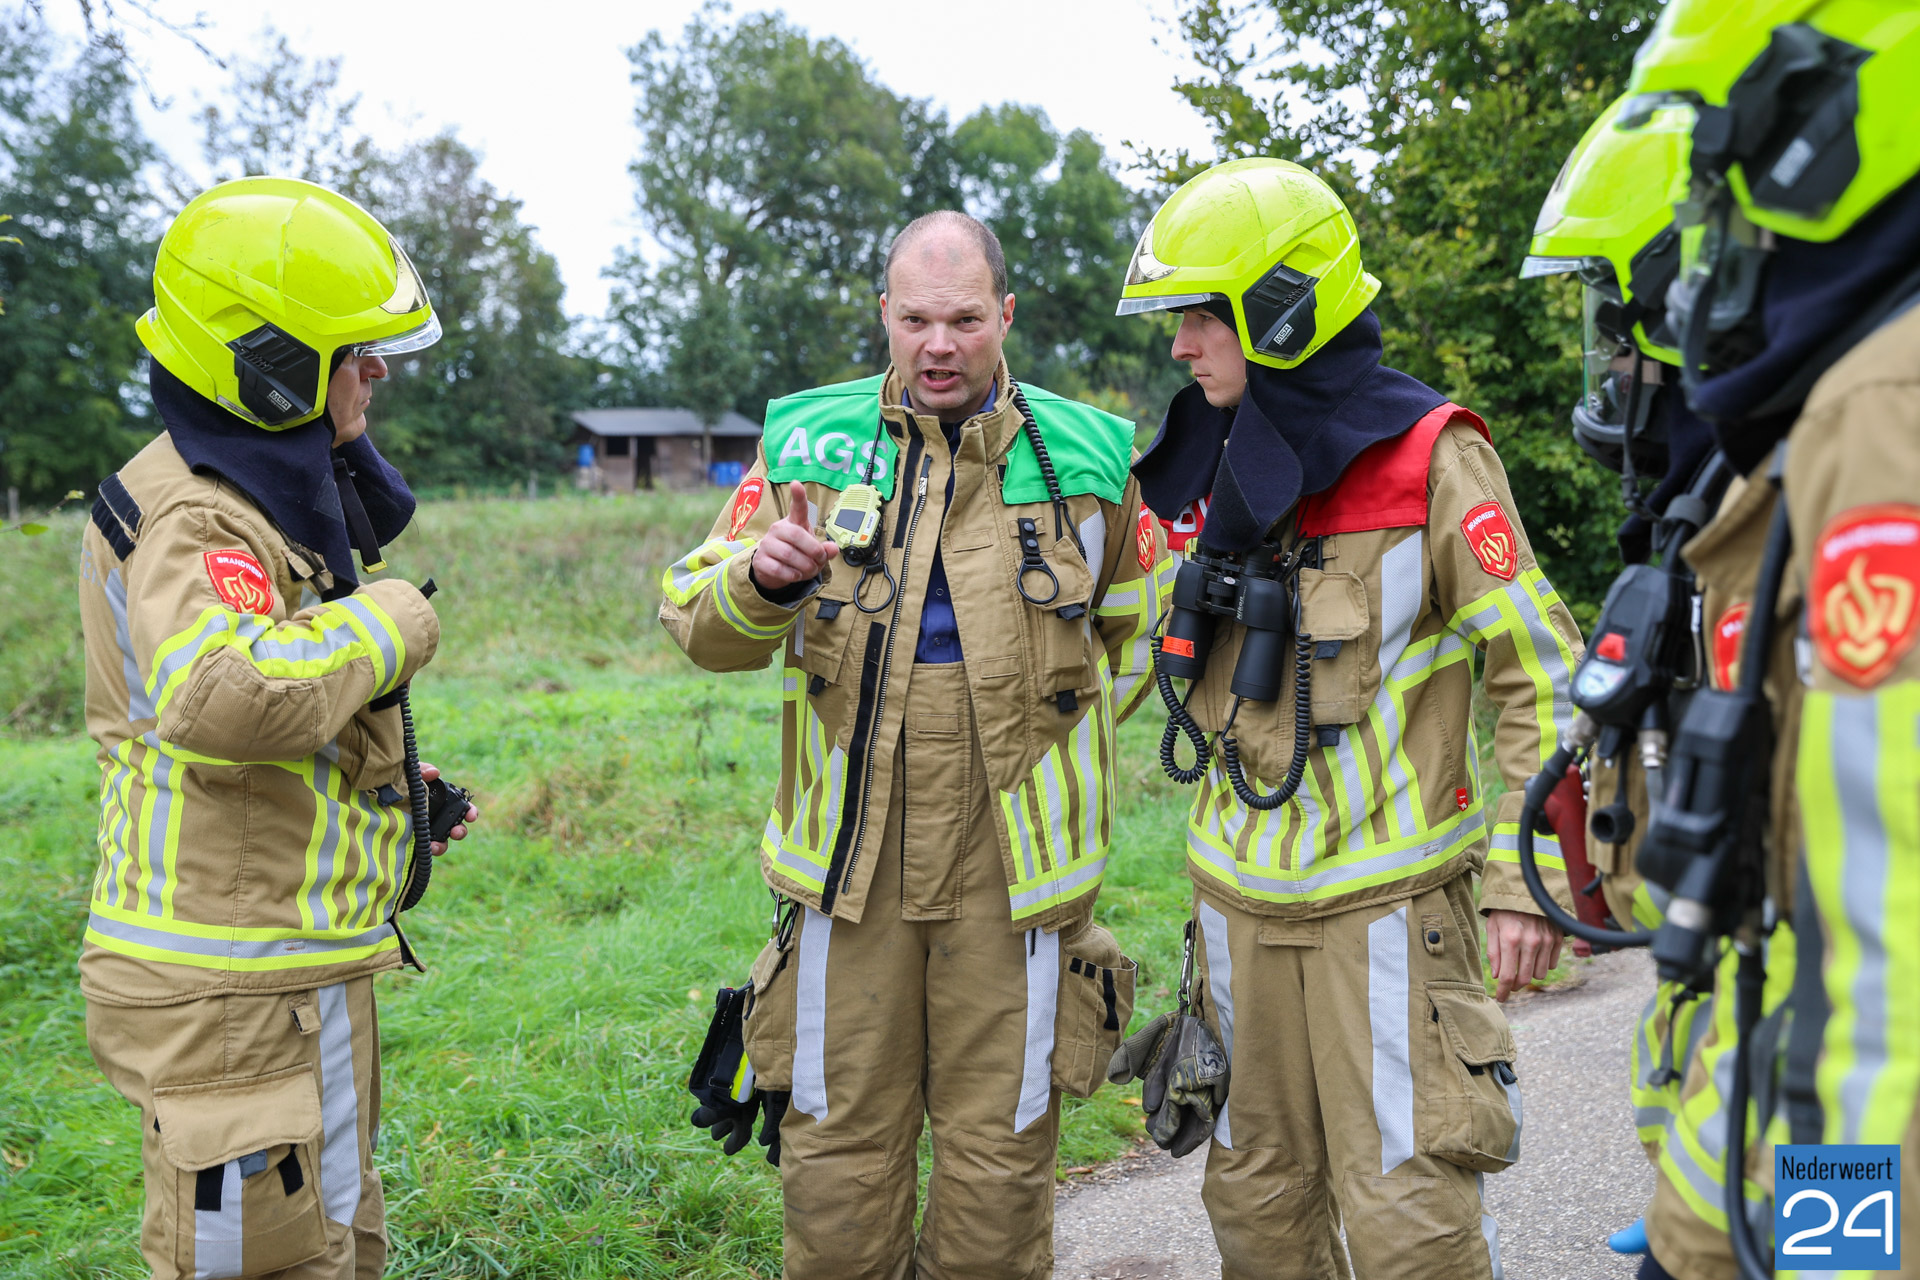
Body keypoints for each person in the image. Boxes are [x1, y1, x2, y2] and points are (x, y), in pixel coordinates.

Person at [659, 210, 1170, 1279]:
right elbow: (696, 618)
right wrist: (760, 582)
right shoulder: (805, 442)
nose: (940, 345)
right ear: (884, 314)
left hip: (1018, 877)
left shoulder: (1090, 454)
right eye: (918, 320)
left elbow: (1140, 637)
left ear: (1006, 316)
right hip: (847, 871)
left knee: (1000, 1167)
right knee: (836, 1163)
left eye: (966, 320)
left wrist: (1048, 752)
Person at [1114, 157, 1583, 1280]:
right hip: (1234, 920)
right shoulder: (1195, 461)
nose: (1181, 346)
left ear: (1282, 311)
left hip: (1391, 919)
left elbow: (1540, 670)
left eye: (1202, 315)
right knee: (1258, 1218)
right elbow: (1120, 656)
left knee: (1411, 1227)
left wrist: (1526, 880)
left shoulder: (1432, 456)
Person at [78, 176, 476, 1280]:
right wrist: (392, 620)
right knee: (268, 1261)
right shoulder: (198, 513)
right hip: (231, 985)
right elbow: (224, 695)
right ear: (270, 365)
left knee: (331, 1241)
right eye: (356, 352)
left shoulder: (242, 482)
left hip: (286, 967)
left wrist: (381, 786)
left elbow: (265, 703)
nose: (377, 372)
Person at [1623, 3, 1920, 1277]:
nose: (1719, 247)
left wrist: (1831, 1251)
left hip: (1838, 1194)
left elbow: (1881, 956)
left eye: (1726, 187)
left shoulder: (1881, 408)